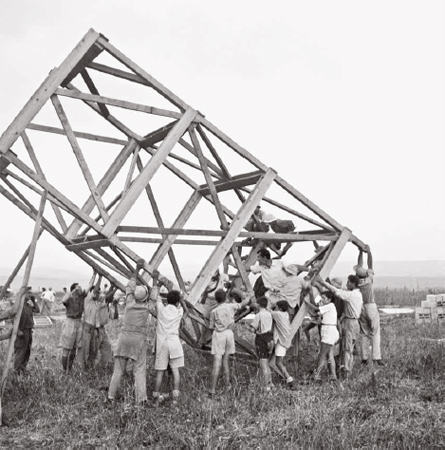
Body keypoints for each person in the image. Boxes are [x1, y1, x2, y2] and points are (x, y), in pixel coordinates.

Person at [107, 259, 153, 406]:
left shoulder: (129, 304)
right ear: (145, 297)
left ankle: (110, 397)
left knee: (118, 370)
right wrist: (156, 279)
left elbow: (130, 286)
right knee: (139, 370)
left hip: (124, 338)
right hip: (138, 341)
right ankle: (141, 400)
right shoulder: (147, 307)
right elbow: (154, 296)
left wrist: (136, 269)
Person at [316, 274, 363, 378]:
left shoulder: (350, 295)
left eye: (348, 283)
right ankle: (343, 370)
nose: (347, 284)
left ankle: (345, 372)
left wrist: (323, 282)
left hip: (349, 323)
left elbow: (337, 292)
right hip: (354, 323)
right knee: (348, 348)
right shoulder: (358, 294)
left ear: (353, 284)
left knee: (346, 349)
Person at [208, 289, 252, 397]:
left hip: (219, 335)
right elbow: (243, 303)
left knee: (217, 363)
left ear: (216, 299)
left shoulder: (214, 311)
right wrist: (250, 296)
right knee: (226, 361)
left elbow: (210, 327)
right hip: (229, 334)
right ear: (226, 298)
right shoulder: (231, 306)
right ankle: (227, 386)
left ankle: (212, 390)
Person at [152, 275, 188, 406]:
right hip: (174, 343)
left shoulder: (162, 310)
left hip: (162, 343)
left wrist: (157, 282)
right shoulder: (179, 311)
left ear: (167, 300)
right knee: (176, 371)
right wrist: (182, 299)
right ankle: (175, 399)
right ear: (178, 302)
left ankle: (156, 399)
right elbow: (186, 310)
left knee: (160, 372)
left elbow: (155, 297)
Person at [355, 246, 384, 366]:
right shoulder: (369, 279)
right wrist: (369, 252)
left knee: (364, 333)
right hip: (371, 306)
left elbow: (359, 265)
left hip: (361, 307)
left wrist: (360, 252)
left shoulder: (357, 282)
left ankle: (364, 358)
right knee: (375, 332)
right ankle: (376, 357)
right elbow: (370, 265)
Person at [0, 292, 41, 375]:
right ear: (23, 295)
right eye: (28, 294)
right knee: (20, 351)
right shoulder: (18, 306)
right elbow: (13, 319)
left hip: (28, 331)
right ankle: (17, 371)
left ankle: (23, 369)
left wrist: (33, 299)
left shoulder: (28, 305)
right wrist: (18, 331)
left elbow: (37, 310)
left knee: (27, 351)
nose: (30, 294)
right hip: (21, 332)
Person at [80, 276, 116, 371]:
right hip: (91, 329)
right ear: (91, 293)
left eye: (99, 292)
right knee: (92, 352)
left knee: (107, 348)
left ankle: (102, 368)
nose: (98, 294)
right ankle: (88, 370)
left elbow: (108, 297)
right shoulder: (88, 300)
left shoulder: (98, 301)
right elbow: (106, 295)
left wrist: (113, 287)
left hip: (100, 329)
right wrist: (100, 277)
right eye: (97, 292)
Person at [305, 291, 339, 381]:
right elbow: (313, 314)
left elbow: (316, 309)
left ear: (329, 299)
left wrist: (306, 303)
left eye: (324, 298)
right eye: (322, 298)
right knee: (329, 355)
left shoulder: (330, 306)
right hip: (329, 331)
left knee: (322, 355)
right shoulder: (326, 308)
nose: (322, 300)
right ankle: (333, 376)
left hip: (329, 331)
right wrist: (306, 308)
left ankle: (317, 376)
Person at [59, 280, 92, 372]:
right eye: (78, 287)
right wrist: (72, 291)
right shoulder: (69, 298)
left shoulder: (81, 297)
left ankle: (69, 368)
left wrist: (94, 274)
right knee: (67, 348)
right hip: (70, 322)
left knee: (74, 348)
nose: (80, 288)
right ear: (74, 290)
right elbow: (63, 300)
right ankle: (64, 370)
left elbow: (89, 286)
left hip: (78, 322)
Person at [248, 296, 273, 391]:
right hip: (269, 337)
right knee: (266, 362)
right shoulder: (269, 314)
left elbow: (252, 329)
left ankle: (266, 386)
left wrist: (248, 327)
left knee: (263, 364)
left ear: (258, 304)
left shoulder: (259, 315)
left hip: (261, 338)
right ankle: (270, 383)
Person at [200, 269, 229, 349]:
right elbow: (202, 289)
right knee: (206, 322)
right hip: (209, 302)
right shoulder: (207, 279)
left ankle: (213, 341)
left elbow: (227, 279)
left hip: (218, 301)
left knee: (216, 322)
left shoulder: (222, 276)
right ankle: (204, 341)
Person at [269, 300, 294, 387]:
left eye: (276, 306)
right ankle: (286, 378)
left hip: (281, 342)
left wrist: (270, 305)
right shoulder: (285, 314)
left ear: (279, 308)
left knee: (278, 363)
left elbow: (267, 310)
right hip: (285, 340)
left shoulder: (277, 314)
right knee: (274, 362)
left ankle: (289, 378)